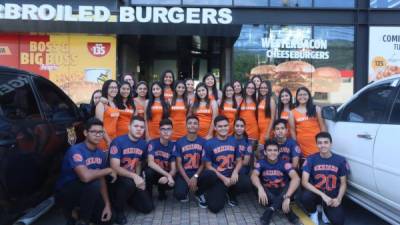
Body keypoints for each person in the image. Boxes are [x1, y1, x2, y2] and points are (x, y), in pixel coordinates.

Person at [55, 118, 115, 225]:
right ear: (85, 133)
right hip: (67, 193)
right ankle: (82, 220)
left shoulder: (100, 153)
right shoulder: (76, 150)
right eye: (94, 132)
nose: (98, 135)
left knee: (107, 220)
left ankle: (79, 212)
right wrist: (109, 169)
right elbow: (85, 177)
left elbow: (101, 179)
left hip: (87, 191)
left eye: (100, 132)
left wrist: (107, 205)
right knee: (93, 183)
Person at [201, 115, 252, 213]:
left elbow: (239, 160)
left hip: (231, 175)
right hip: (219, 177)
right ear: (215, 128)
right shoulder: (209, 143)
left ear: (229, 126)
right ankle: (213, 191)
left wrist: (235, 172)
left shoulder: (233, 141)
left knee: (247, 184)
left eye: (225, 126)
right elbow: (208, 166)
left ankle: (231, 192)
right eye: (220, 126)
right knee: (215, 208)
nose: (223, 128)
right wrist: (224, 179)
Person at [109, 116, 154, 225]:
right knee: (128, 183)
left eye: (142, 127)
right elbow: (115, 167)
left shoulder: (143, 144)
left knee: (148, 208)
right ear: (129, 127)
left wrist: (138, 177)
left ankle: (127, 198)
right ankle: (118, 209)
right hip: (116, 179)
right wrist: (135, 177)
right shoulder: (118, 141)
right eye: (136, 126)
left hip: (130, 178)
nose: (139, 129)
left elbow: (138, 162)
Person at [301, 132, 348, 225]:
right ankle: (313, 213)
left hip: (332, 196)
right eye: (320, 143)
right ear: (316, 144)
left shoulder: (341, 160)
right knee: (305, 197)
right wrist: (323, 195)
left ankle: (324, 210)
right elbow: (304, 182)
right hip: (316, 193)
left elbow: (343, 183)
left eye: (326, 142)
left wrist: (339, 198)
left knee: (339, 221)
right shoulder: (311, 159)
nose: (323, 145)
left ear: (331, 143)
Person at [251, 139, 300, 225]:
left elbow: (296, 178)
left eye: (275, 150)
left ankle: (271, 209)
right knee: (257, 183)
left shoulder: (285, 163)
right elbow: (254, 175)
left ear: (278, 152)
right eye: (269, 150)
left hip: (282, 192)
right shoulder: (261, 163)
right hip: (267, 193)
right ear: (265, 152)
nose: (272, 153)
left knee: (293, 183)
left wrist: (288, 196)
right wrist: (260, 189)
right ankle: (287, 211)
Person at [173, 115, 207, 207]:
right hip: (185, 173)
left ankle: (199, 192)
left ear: (198, 126)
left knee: (210, 175)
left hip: (198, 173)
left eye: (195, 123)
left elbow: (204, 163)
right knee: (179, 195)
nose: (192, 125)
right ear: (186, 125)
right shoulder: (179, 142)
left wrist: (195, 176)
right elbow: (179, 164)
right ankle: (187, 190)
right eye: (190, 123)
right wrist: (188, 180)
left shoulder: (204, 142)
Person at [289, 87, 326, 158]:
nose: (302, 97)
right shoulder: (292, 113)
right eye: (300, 95)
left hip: (317, 143)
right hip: (302, 145)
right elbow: (292, 131)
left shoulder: (316, 109)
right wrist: (296, 146)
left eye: (304, 94)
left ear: (309, 96)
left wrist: (323, 142)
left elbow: (323, 126)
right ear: (296, 97)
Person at [145, 119, 176, 200]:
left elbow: (174, 169)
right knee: (149, 172)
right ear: (159, 131)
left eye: (168, 129)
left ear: (172, 131)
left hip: (165, 173)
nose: (166, 132)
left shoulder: (174, 146)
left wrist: (168, 176)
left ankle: (162, 190)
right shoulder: (153, 143)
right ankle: (148, 194)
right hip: (155, 173)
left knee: (172, 183)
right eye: (163, 129)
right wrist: (168, 175)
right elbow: (150, 163)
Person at [95, 80, 120, 151]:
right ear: (106, 89)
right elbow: (99, 125)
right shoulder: (101, 104)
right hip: (104, 139)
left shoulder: (115, 103)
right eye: (111, 87)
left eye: (115, 87)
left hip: (114, 138)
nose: (114, 89)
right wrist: (108, 140)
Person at [238, 81, 259, 146]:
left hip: (253, 131)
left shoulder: (256, 101)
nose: (250, 90)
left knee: (251, 153)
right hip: (241, 130)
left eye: (253, 88)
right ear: (245, 88)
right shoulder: (240, 99)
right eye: (249, 88)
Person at [257, 80, 276, 147]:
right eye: (261, 88)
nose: (263, 89)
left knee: (261, 149)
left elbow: (273, 118)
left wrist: (268, 133)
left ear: (268, 89)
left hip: (266, 130)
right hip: (260, 130)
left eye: (265, 88)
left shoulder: (271, 100)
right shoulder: (261, 100)